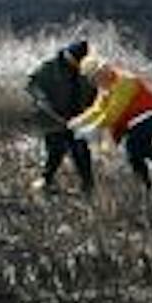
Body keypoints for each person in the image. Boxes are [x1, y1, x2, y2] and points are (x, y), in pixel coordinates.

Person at [70, 54, 152, 188]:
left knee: (134, 146)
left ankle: (150, 181)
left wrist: (93, 127)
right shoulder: (105, 86)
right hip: (135, 119)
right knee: (137, 149)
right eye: (93, 78)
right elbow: (97, 109)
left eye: (98, 73)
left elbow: (113, 113)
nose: (97, 79)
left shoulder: (124, 81)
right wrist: (78, 121)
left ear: (104, 68)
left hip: (151, 114)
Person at [24, 39, 95, 195]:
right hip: (52, 118)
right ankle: (45, 181)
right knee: (56, 150)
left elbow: (93, 89)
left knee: (81, 150)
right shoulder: (50, 67)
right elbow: (31, 84)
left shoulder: (86, 67)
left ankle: (88, 185)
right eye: (76, 61)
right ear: (69, 55)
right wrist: (42, 99)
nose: (78, 64)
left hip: (77, 117)